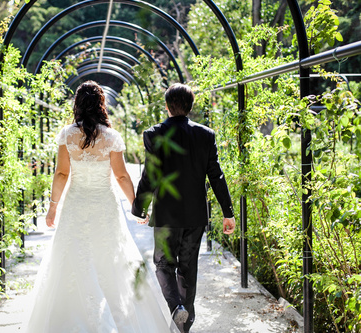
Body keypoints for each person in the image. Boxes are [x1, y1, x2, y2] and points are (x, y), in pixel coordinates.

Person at [25, 81, 180, 332]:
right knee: (113, 260)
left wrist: (53, 207)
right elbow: (120, 176)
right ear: (101, 105)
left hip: (75, 205)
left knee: (72, 260)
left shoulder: (67, 135)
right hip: (104, 207)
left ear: (77, 105)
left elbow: (61, 173)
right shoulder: (111, 137)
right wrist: (136, 205)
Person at [131, 83, 236, 333]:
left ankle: (177, 308)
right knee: (188, 268)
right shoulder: (206, 135)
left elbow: (150, 176)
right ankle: (184, 326)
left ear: (167, 107)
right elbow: (216, 176)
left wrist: (140, 208)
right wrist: (228, 212)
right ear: (190, 107)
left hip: (167, 215)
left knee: (164, 264)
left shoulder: (154, 134)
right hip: (195, 215)